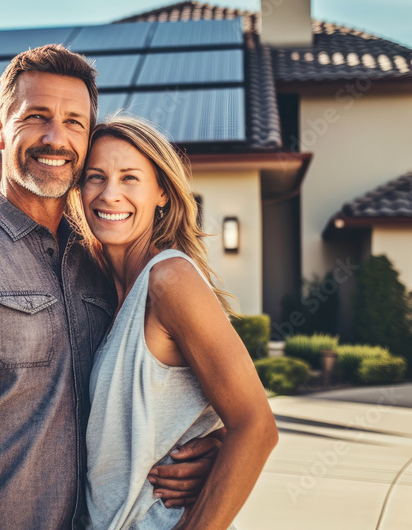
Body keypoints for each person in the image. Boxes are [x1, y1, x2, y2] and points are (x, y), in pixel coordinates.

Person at [0, 45, 223, 530]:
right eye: (37, 116)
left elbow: (149, 393)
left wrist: (207, 451)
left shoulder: (100, 262)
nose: (56, 138)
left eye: (75, 122)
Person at [71, 116, 278, 530]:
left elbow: (256, 427)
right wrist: (213, 442)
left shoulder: (169, 280)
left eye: (130, 178)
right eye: (96, 177)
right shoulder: (100, 290)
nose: (110, 194)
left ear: (162, 193)